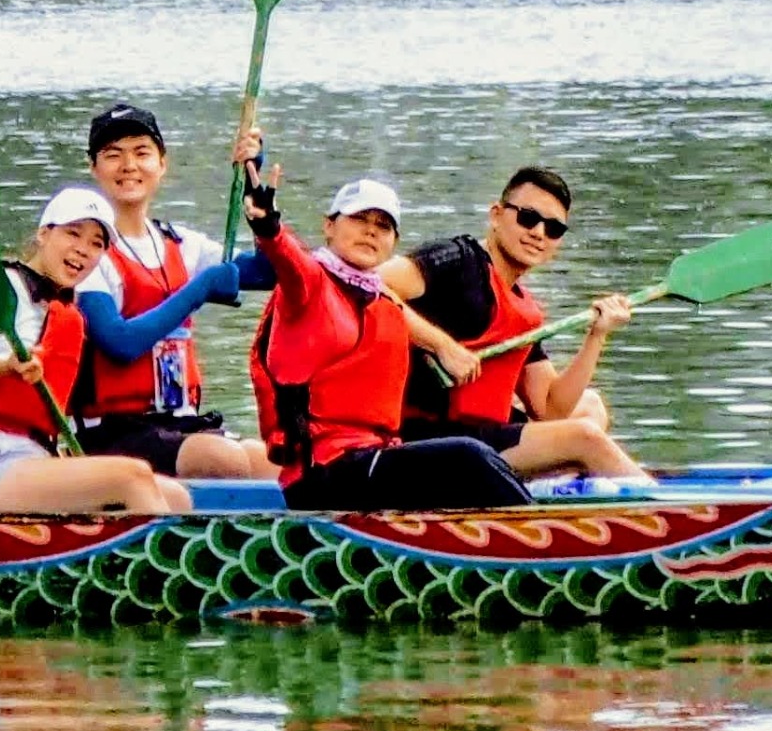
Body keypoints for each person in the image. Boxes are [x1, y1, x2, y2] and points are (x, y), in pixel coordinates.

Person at [241, 164, 536, 512]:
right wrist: (268, 225)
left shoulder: (384, 302)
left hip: (376, 458)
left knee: (471, 459)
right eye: (358, 219)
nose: (370, 231)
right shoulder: (310, 284)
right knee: (469, 456)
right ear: (329, 226)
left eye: (383, 226)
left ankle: (529, 524)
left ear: (393, 242)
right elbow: (287, 258)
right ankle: (544, 532)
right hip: (323, 471)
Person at [0, 187, 194, 517]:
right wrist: (5, 367)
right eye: (73, 233)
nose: (83, 249)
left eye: (96, 243)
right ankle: (148, 550)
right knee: (132, 477)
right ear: (43, 234)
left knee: (176, 496)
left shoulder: (65, 311)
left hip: (34, 458)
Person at [378, 166, 646, 485]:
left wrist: (597, 335)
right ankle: (664, 507)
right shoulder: (456, 262)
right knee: (584, 437)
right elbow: (369, 284)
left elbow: (550, 409)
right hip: (431, 442)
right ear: (496, 215)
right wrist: (441, 345)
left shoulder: (523, 309)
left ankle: (547, 487)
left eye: (554, 228)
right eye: (528, 218)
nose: (539, 233)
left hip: (485, 437)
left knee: (590, 407)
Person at [73, 103, 274, 480]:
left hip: (179, 421)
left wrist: (254, 190)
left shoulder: (181, 243)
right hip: (113, 430)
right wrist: (201, 288)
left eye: (141, 152)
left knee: (272, 461)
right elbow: (120, 343)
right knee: (223, 460)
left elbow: (270, 272)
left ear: (162, 163)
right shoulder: (86, 252)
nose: (128, 165)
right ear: (94, 168)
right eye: (113, 155)